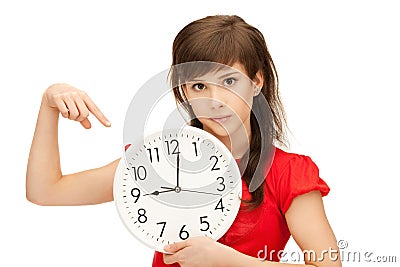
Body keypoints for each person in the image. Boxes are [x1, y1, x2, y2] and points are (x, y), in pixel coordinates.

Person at [26, 15, 341, 266]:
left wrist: (228, 261)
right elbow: (46, 192)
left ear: (256, 82)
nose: (215, 101)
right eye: (199, 86)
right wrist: (48, 104)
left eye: (229, 81)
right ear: (183, 91)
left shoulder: (288, 174)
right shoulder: (156, 159)